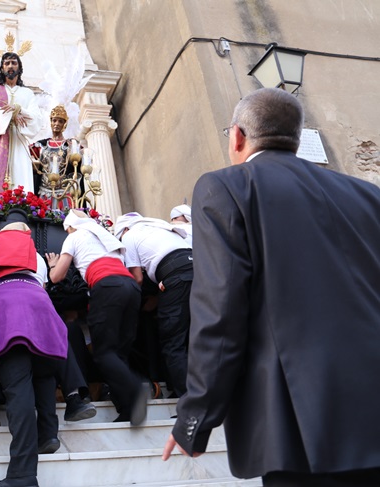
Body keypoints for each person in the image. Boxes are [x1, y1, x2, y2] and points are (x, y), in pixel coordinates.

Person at [162, 88, 380, 485]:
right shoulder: (369, 195)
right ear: (296, 138)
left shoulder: (224, 187)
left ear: (238, 137)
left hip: (303, 423)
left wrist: (196, 417)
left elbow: (220, 309)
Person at [0, 222, 68, 487]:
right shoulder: (36, 256)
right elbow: (43, 287)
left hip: (8, 312)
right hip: (41, 308)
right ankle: (48, 433)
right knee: (44, 372)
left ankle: (22, 474)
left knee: (18, 390)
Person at [46, 209, 147, 425]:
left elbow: (56, 277)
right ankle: (128, 410)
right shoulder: (108, 237)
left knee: (104, 354)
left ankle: (136, 389)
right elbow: (137, 277)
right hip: (130, 287)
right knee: (119, 353)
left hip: (106, 286)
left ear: (70, 227)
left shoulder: (74, 237)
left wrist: (53, 265)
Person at [114, 213, 192, 397]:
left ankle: (190, 404)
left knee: (173, 344)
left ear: (124, 230)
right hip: (197, 271)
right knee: (195, 337)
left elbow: (137, 278)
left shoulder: (130, 235)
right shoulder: (159, 227)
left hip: (175, 277)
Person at [0, 52, 42, 200]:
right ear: (2, 68)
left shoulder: (27, 93)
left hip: (19, 141)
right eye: (7, 63)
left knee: (20, 174)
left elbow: (37, 118)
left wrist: (19, 109)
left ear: (19, 68)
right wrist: (11, 115)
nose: (10, 66)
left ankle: (21, 208)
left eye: (14, 63)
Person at [31, 105, 81, 208]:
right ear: (51, 122)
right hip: (44, 192)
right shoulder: (41, 145)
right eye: (54, 120)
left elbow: (80, 163)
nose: (57, 124)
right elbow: (27, 156)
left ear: (65, 124)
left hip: (64, 192)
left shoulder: (70, 145)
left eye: (60, 121)